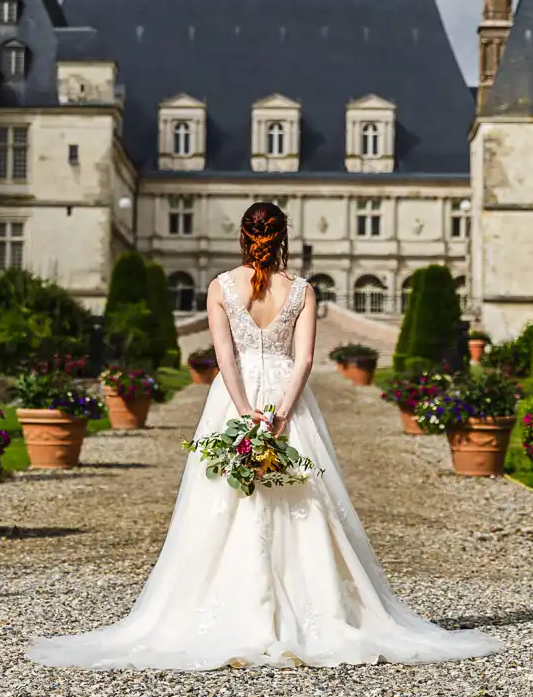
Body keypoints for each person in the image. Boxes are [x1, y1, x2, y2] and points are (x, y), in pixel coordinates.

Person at [25, 202, 502, 671]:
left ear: (244, 237)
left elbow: (225, 357)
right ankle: (315, 609)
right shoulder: (302, 290)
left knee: (219, 499)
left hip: (234, 399)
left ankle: (221, 608)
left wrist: (244, 410)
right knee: (306, 500)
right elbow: (305, 360)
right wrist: (278, 413)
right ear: (282, 239)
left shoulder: (219, 287)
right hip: (286, 399)